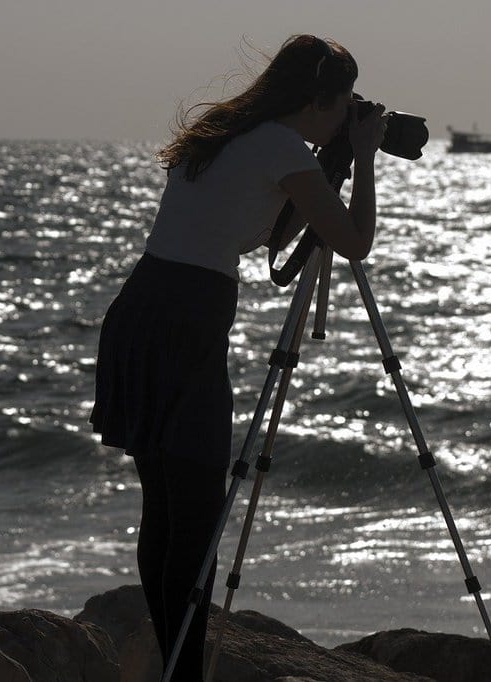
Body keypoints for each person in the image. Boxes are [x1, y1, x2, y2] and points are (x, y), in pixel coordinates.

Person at [88, 34, 387, 681]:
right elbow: (355, 241)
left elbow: (271, 235)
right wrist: (362, 159)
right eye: (343, 105)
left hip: (143, 310)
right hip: (186, 322)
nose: (347, 115)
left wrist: (326, 163)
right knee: (193, 520)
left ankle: (175, 666)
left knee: (165, 510)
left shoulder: (226, 133)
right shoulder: (280, 147)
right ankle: (183, 672)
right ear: (321, 99)